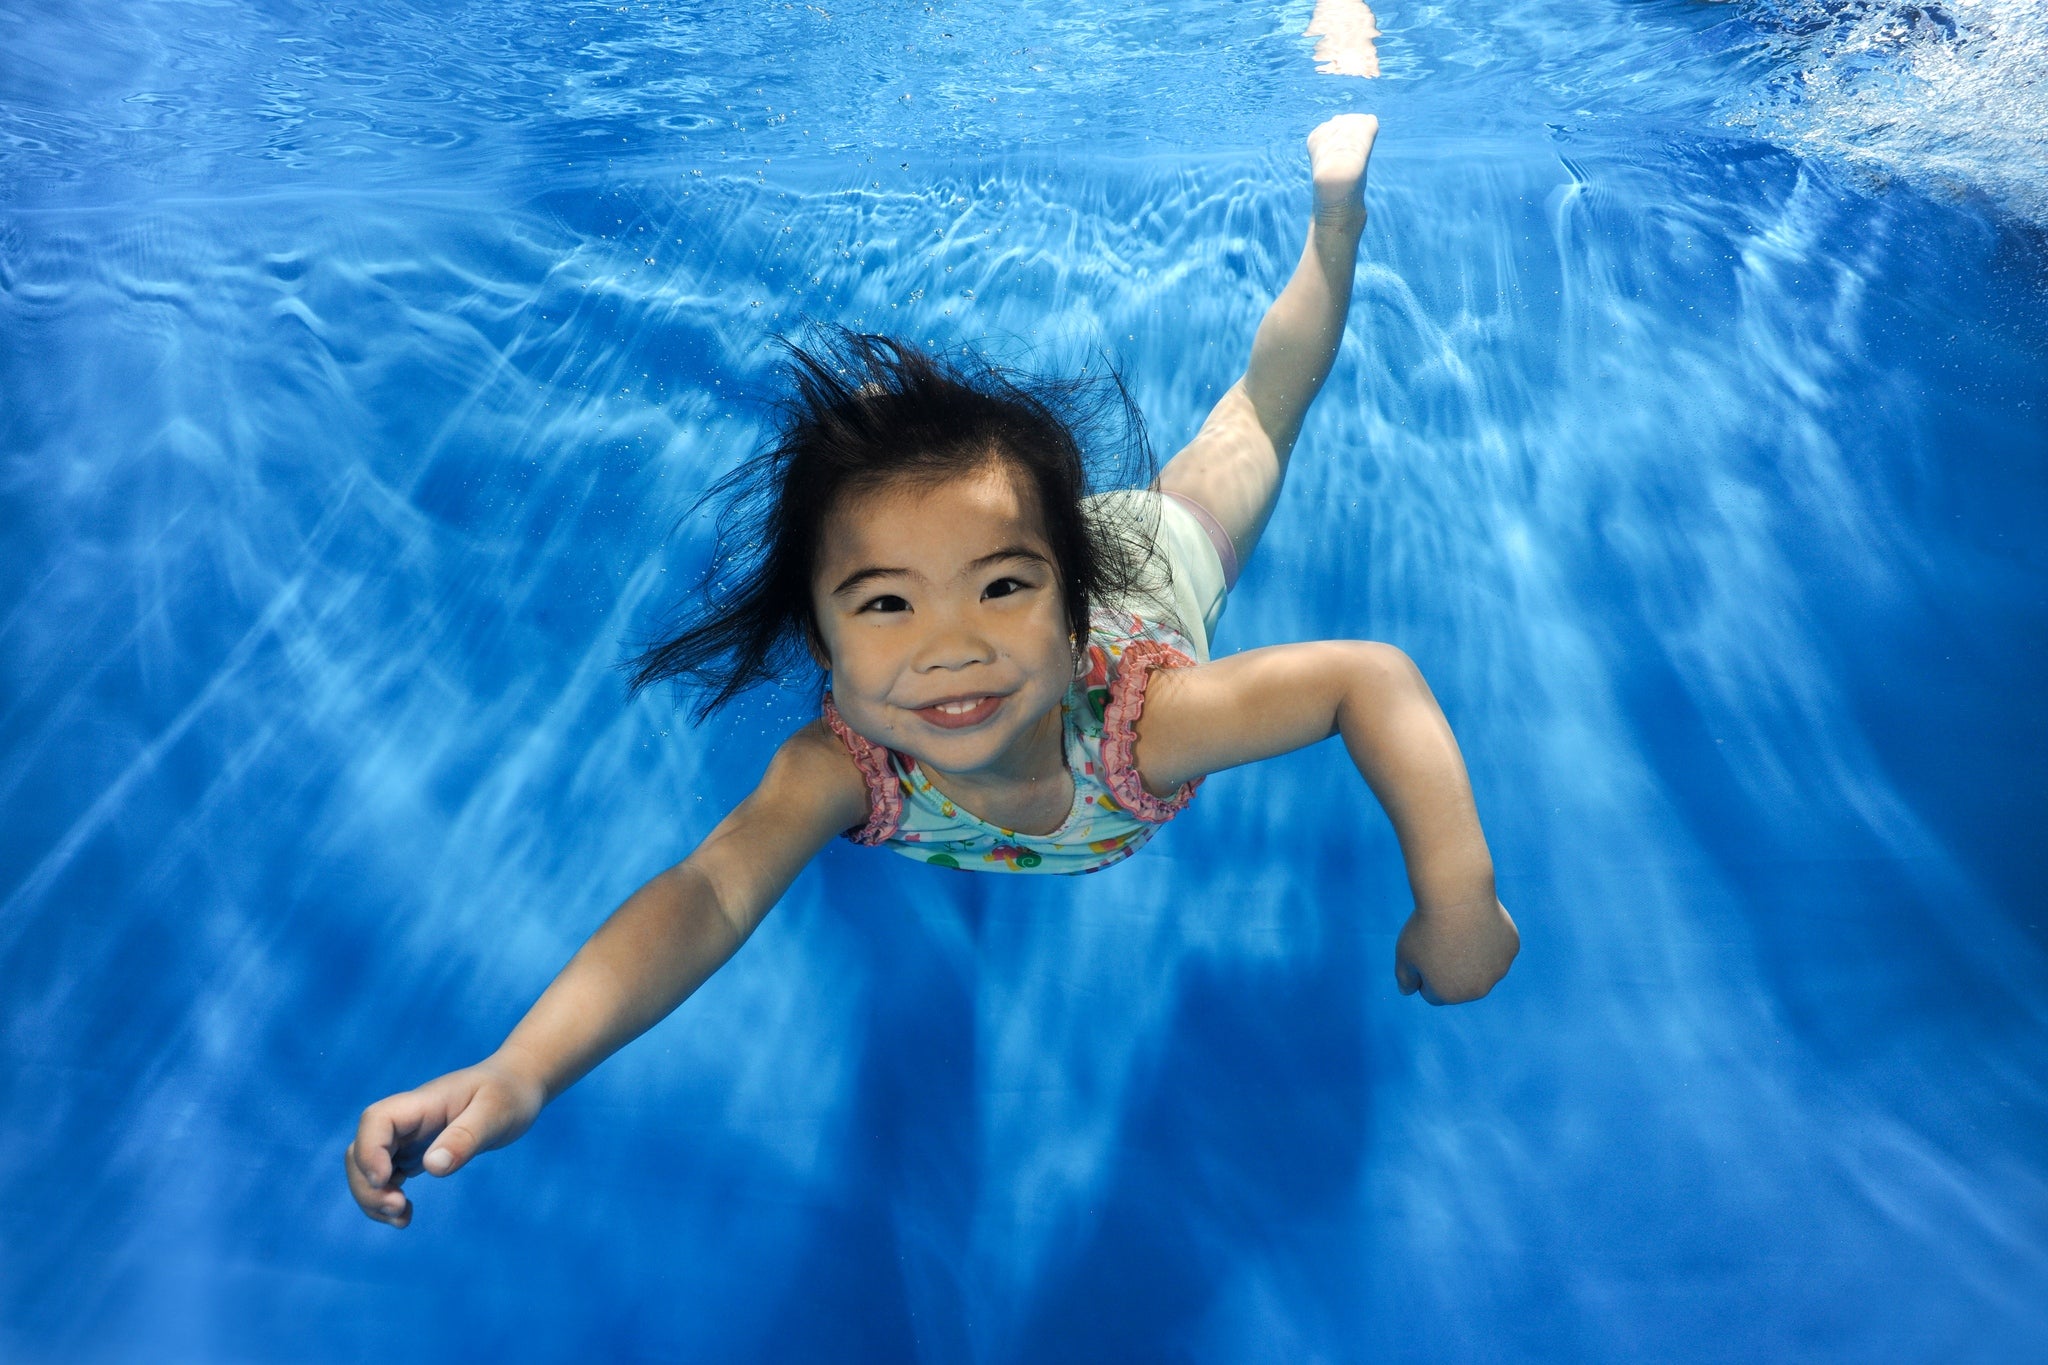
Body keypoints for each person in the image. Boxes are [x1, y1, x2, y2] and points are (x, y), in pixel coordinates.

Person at [346, 113, 1518, 1228]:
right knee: (920, 516)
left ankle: (1333, 222)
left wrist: (1455, 902)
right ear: (818, 646)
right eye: (885, 604)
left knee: (1256, 420)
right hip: (1040, 560)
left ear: (1062, 613)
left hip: (1145, 574)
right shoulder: (840, 766)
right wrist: (522, 1068)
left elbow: (1368, 679)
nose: (949, 648)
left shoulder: (1144, 721)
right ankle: (928, 496)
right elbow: (707, 896)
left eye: (1001, 591)